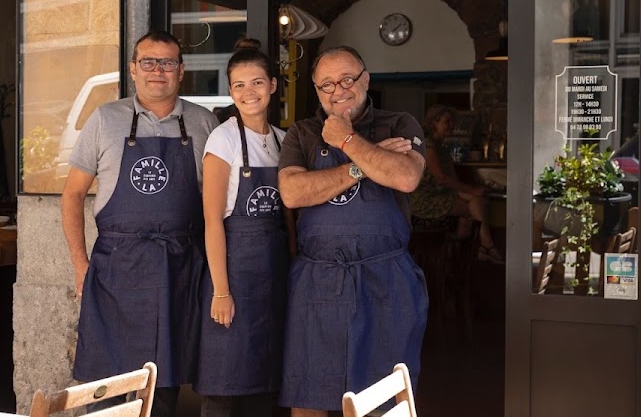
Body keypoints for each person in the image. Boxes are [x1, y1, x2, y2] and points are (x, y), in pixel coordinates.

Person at [61, 31, 219, 417]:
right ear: (133, 69)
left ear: (181, 71)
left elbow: (219, 206)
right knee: (108, 385)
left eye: (167, 62)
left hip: (179, 268)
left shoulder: (204, 123)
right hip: (116, 269)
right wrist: (82, 266)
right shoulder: (105, 119)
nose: (158, 71)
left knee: (163, 385)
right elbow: (72, 196)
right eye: (148, 62)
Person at [277, 45, 428, 417]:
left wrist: (346, 140)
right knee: (309, 394)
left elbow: (405, 177)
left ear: (366, 79)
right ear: (315, 90)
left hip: (385, 281)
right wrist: (365, 164)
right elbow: (294, 193)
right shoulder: (302, 133)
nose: (338, 90)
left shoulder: (400, 123)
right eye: (326, 84)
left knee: (384, 397)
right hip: (318, 281)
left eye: (347, 79)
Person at [195, 42, 291, 417]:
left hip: (274, 273)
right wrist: (221, 291)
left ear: (272, 85)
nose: (248, 93)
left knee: (266, 378)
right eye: (238, 85)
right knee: (225, 380)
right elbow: (212, 220)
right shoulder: (224, 138)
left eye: (256, 83)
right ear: (230, 91)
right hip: (234, 271)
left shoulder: (284, 141)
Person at [413, 104, 503, 263]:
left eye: (453, 121)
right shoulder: (428, 145)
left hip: (441, 192)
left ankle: (467, 252)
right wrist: (473, 189)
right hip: (424, 198)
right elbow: (441, 178)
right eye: (447, 121)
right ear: (434, 122)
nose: (452, 125)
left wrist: (472, 192)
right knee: (472, 208)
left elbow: (452, 180)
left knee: (477, 202)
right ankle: (480, 248)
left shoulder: (441, 146)